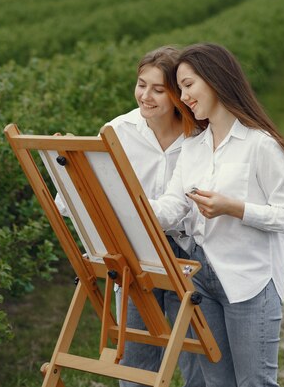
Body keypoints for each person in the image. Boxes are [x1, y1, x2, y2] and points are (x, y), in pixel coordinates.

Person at [149, 43, 284, 387]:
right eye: (180, 88)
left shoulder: (261, 144)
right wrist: (128, 204)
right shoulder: (193, 147)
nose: (184, 96)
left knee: (254, 382)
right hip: (202, 279)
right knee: (217, 383)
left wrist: (233, 208)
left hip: (249, 280)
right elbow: (173, 207)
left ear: (216, 78)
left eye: (188, 85)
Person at [55, 45, 206, 387]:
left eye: (158, 89)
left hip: (191, 251)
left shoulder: (199, 135)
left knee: (197, 353)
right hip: (135, 254)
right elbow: (71, 198)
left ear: (178, 94)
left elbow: (182, 206)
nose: (145, 96)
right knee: (137, 356)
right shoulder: (119, 130)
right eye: (141, 84)